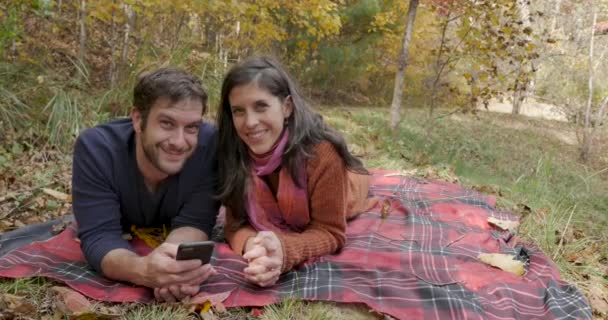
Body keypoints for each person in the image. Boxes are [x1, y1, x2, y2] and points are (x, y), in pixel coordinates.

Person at [217, 56, 376, 287]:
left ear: (286, 107)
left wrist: (284, 251)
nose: (250, 122)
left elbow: (330, 231)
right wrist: (253, 245)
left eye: (261, 106)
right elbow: (234, 224)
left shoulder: (323, 154)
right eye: (239, 111)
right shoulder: (234, 152)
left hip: (350, 187)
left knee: (357, 182)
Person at [71, 67, 220, 302]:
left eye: (191, 127)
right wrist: (143, 270)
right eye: (167, 123)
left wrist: (172, 269)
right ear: (138, 119)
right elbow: (99, 235)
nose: (180, 142)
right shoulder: (97, 149)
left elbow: (195, 221)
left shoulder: (211, 144)